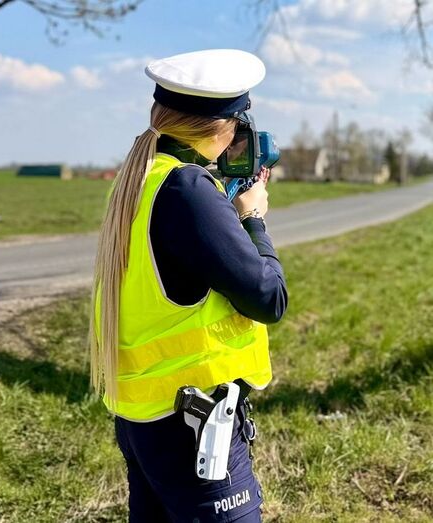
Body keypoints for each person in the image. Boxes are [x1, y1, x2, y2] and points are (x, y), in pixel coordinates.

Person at [89, 49, 288, 522]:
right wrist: (253, 218)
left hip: (145, 418)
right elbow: (269, 297)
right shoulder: (187, 191)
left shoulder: (143, 180)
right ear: (223, 128)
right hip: (193, 423)